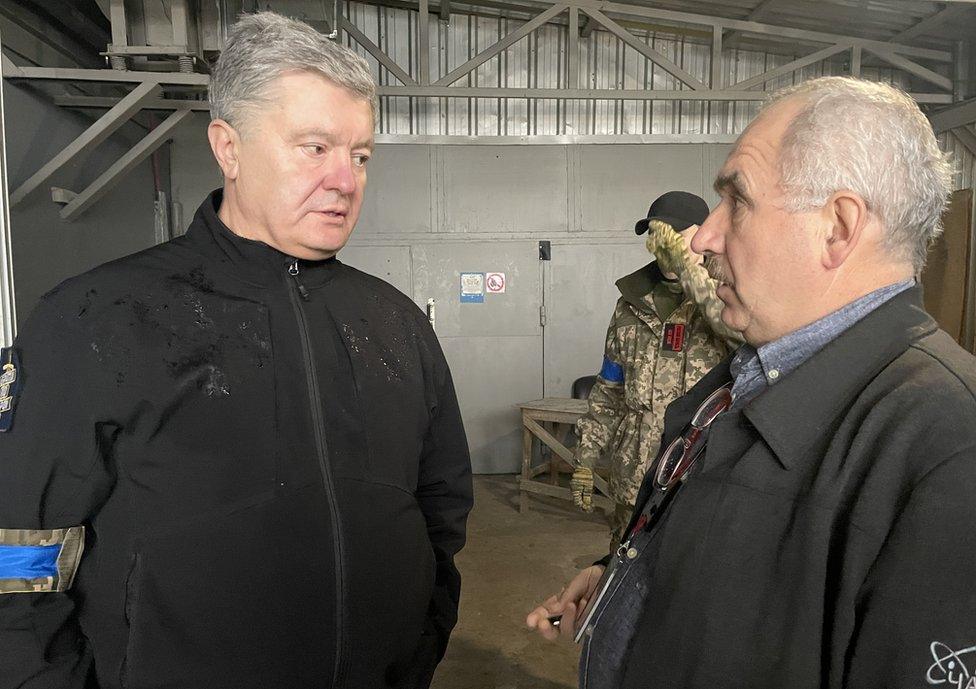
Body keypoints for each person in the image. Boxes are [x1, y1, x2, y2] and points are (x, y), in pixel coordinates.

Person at [0, 12, 472, 689]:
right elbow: (18, 550)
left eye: (360, 154)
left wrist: (421, 636)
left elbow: (441, 506)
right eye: (314, 147)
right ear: (229, 146)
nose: (345, 180)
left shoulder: (395, 323)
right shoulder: (97, 319)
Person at [528, 76, 976, 689]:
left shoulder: (946, 449)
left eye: (737, 200)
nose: (706, 237)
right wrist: (625, 578)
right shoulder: (747, 379)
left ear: (838, 228)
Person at [569, 191, 741, 545]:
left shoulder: (728, 294)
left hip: (697, 471)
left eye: (675, 234)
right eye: (656, 235)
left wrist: (688, 270)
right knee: (621, 564)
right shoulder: (631, 305)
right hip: (633, 474)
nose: (664, 245)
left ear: (704, 232)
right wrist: (586, 458)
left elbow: (739, 334)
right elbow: (609, 386)